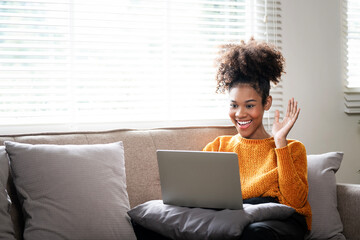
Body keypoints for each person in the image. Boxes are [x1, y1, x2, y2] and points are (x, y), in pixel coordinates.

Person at [203, 37, 312, 240]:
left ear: (267, 103)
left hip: (280, 222)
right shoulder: (218, 146)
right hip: (236, 218)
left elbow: (296, 202)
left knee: (254, 233)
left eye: (250, 105)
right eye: (234, 105)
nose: (240, 114)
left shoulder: (293, 149)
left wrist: (280, 143)